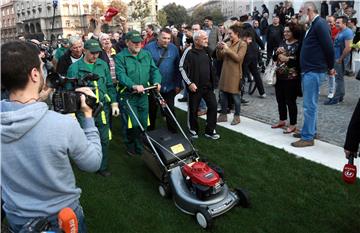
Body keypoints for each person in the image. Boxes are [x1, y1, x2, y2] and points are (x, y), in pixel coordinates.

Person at [1, 41, 102, 232]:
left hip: (18, 219)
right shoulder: (63, 124)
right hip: (63, 219)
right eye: (42, 66)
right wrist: (88, 116)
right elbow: (93, 163)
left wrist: (37, 99)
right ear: (34, 74)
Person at [67, 39, 119, 177]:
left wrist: (114, 102)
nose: (95, 56)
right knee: (85, 138)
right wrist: (72, 111)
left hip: (102, 108)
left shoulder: (102, 65)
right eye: (92, 53)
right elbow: (69, 91)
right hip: (84, 110)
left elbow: (109, 85)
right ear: (85, 51)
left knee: (104, 138)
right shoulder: (74, 68)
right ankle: (87, 164)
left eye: (97, 53)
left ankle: (102, 165)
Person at [291, 2, 335, 147]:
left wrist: (331, 67)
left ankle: (308, 136)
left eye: (301, 11)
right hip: (310, 70)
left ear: (309, 10)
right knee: (310, 104)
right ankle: (309, 130)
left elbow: (329, 47)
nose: (300, 13)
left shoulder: (320, 24)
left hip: (314, 71)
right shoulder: (313, 24)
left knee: (309, 105)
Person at [115, 30, 162, 156]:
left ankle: (140, 144)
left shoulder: (146, 54)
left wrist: (157, 81)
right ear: (127, 42)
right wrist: (133, 85)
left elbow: (154, 70)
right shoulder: (120, 57)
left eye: (139, 42)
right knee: (132, 124)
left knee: (143, 122)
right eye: (134, 42)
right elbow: (121, 75)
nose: (137, 45)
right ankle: (130, 144)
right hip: (128, 96)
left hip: (143, 95)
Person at [180, 30, 220, 140]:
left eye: (206, 38)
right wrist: (189, 83)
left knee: (213, 106)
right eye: (204, 38)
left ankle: (210, 131)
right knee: (193, 109)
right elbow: (181, 67)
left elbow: (216, 57)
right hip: (194, 87)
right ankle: (193, 130)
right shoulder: (189, 50)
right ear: (196, 40)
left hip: (208, 86)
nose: (207, 40)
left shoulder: (207, 50)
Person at [144, 28, 182, 133]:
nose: (166, 40)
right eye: (164, 38)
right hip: (153, 86)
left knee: (169, 109)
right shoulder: (148, 48)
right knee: (152, 110)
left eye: (169, 38)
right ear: (158, 37)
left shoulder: (174, 48)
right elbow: (144, 68)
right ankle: (150, 132)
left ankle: (173, 132)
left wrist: (178, 84)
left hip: (169, 86)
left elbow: (177, 66)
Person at [271, 23, 302, 134]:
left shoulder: (299, 44)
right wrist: (276, 53)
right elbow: (275, 58)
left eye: (288, 31)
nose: (286, 33)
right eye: (284, 31)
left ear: (294, 32)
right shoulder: (282, 43)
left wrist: (287, 59)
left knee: (290, 101)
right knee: (280, 100)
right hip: (279, 76)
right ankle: (282, 120)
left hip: (292, 78)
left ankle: (293, 124)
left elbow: (299, 62)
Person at [216, 24, 247, 125]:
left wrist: (227, 49)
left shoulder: (242, 44)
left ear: (237, 33)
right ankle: (223, 114)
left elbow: (238, 58)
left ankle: (237, 116)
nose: (228, 35)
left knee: (235, 96)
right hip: (225, 73)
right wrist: (219, 49)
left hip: (235, 74)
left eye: (230, 34)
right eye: (228, 33)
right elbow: (220, 57)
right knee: (222, 94)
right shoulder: (228, 43)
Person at [324, 16, 353, 105]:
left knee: (338, 79)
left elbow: (348, 48)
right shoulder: (341, 31)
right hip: (337, 58)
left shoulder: (348, 32)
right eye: (336, 22)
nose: (335, 24)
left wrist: (340, 59)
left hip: (340, 59)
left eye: (338, 22)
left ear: (344, 23)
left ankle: (336, 99)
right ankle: (340, 96)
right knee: (339, 78)